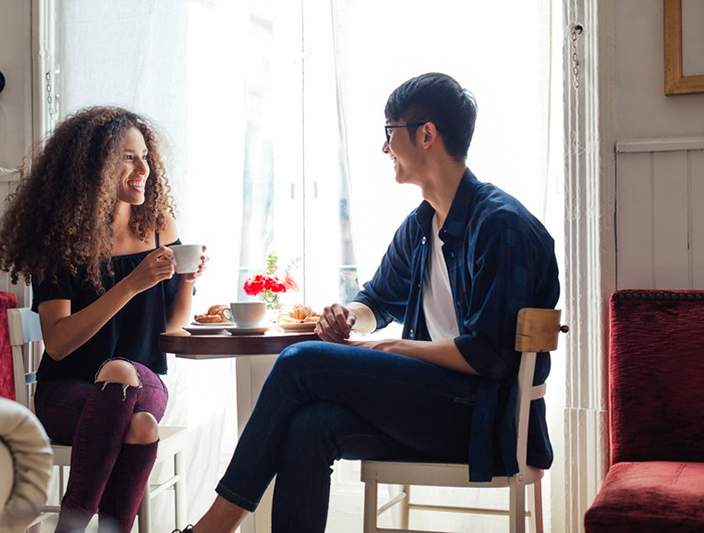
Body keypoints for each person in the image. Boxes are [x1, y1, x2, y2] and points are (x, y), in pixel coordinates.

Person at [189, 72, 560, 533]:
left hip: (488, 418)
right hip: (439, 406)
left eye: (390, 132)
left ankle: (216, 524)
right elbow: (377, 300)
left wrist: (392, 349)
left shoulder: (500, 227)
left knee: (300, 362)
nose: (385, 148)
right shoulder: (422, 225)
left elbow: (490, 356)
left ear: (427, 134)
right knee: (311, 425)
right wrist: (352, 317)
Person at [0, 106, 206, 533]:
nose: (143, 167)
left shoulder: (160, 225)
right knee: (141, 427)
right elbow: (56, 344)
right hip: (65, 393)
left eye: (145, 155)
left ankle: (69, 528)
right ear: (92, 166)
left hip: (145, 382)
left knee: (122, 371)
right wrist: (131, 285)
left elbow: (171, 329)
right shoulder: (62, 241)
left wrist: (187, 280)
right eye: (128, 156)